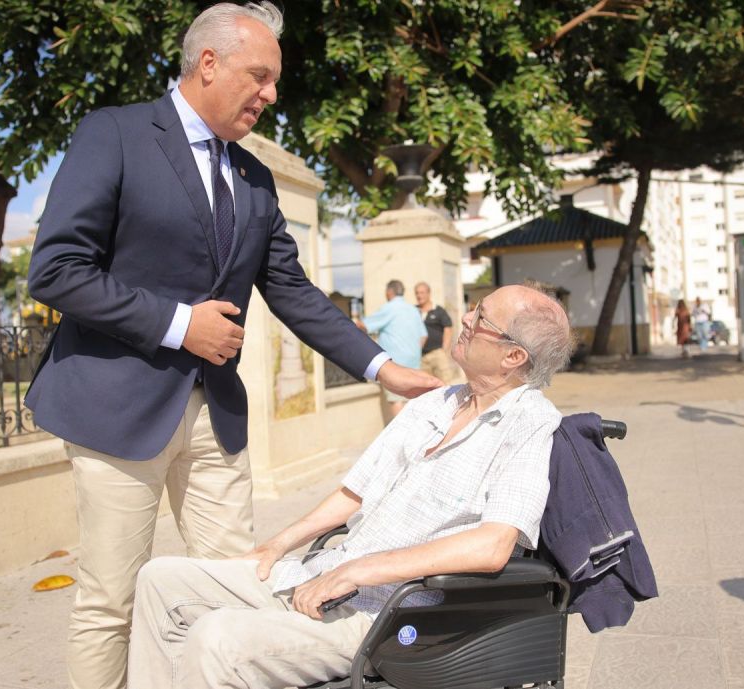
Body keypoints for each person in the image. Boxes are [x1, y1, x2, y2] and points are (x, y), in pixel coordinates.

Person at [23, 5, 440, 688]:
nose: (272, 95)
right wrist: (179, 324)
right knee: (112, 599)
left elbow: (294, 290)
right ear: (208, 63)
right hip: (115, 408)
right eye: (261, 76)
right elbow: (57, 270)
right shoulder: (115, 134)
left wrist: (384, 367)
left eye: (275, 81)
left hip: (216, 416)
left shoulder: (254, 178)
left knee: (234, 584)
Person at [127, 284, 575, 689]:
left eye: (481, 318)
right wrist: (277, 546)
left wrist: (357, 571)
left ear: (513, 356)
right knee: (160, 580)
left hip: (391, 617)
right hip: (323, 575)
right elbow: (353, 494)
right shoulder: (434, 404)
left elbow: (492, 546)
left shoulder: (530, 424)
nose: (465, 319)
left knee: (217, 638)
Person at [356, 280, 427, 419]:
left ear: (389, 292)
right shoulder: (413, 310)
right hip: (414, 364)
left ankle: (403, 439)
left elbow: (361, 325)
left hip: (395, 364)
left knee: (397, 400)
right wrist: (413, 353)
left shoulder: (388, 308)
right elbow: (423, 336)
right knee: (410, 401)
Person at [415, 281, 459, 383]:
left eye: (422, 293)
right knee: (425, 388)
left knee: (445, 385)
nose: (419, 295)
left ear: (428, 293)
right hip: (421, 357)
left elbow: (448, 328)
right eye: (417, 293)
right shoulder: (413, 311)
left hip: (437, 354)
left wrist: (444, 350)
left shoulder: (439, 310)